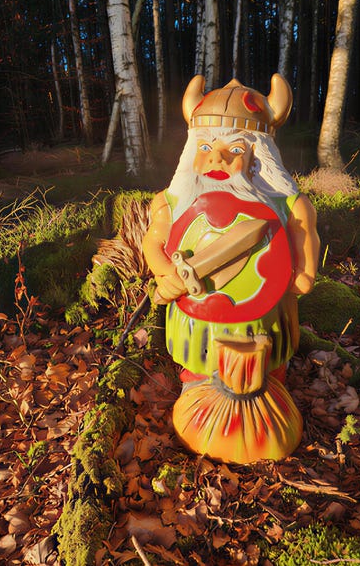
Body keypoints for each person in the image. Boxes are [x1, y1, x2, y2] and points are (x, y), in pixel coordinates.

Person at [143, 75, 320, 463]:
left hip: (267, 312)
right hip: (198, 313)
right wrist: (164, 274)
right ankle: (197, 390)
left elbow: (303, 235)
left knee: (271, 361)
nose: (217, 158)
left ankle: (272, 388)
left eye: (234, 148)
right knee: (197, 361)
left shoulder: (288, 204)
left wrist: (303, 272)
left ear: (260, 156)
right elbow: (153, 243)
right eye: (206, 147)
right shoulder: (170, 203)